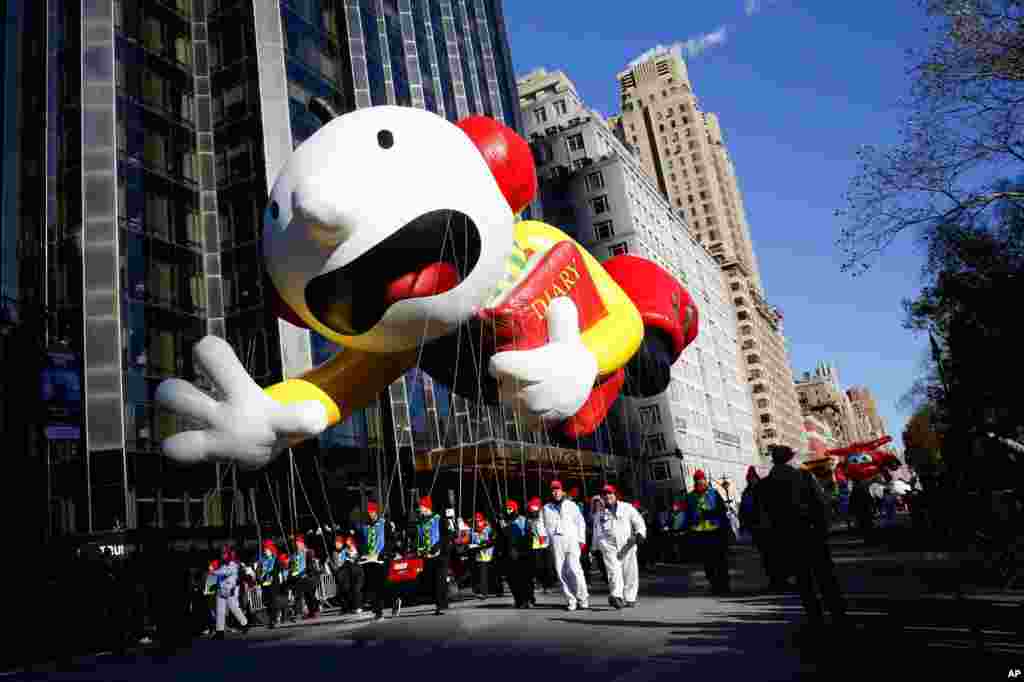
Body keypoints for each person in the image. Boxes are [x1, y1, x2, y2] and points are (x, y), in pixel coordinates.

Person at [756, 445, 847, 631]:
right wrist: (823, 529)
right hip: (812, 534)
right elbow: (821, 503)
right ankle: (837, 614)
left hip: (787, 539)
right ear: (789, 458)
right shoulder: (803, 476)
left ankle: (814, 617)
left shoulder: (765, 485)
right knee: (825, 576)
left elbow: (763, 517)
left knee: (803, 580)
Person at [592, 485, 647, 609]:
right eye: (605, 494)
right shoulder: (599, 514)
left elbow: (639, 522)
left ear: (615, 494)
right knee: (613, 571)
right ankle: (616, 596)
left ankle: (630, 597)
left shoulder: (627, 507)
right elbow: (597, 532)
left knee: (630, 572)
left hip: (627, 545)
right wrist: (595, 548)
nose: (607, 496)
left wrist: (639, 534)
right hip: (609, 547)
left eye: (610, 493)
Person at [541, 480, 589, 611]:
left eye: (557, 489)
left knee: (575, 568)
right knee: (561, 571)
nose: (555, 492)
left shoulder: (571, 505)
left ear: (562, 491)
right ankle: (571, 600)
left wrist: (581, 540)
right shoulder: (546, 508)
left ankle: (583, 598)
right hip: (556, 542)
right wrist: (545, 542)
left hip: (571, 540)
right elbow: (541, 525)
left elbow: (580, 522)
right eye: (553, 490)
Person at [684, 470, 731, 595]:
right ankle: (714, 584)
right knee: (708, 562)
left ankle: (724, 584)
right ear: (695, 483)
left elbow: (722, 511)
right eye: (698, 481)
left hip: (716, 532)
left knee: (720, 560)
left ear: (705, 481)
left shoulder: (714, 493)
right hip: (700, 534)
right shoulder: (690, 497)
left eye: (702, 481)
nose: (700, 483)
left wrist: (710, 514)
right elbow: (687, 515)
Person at [740, 466, 784, 591]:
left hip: (770, 527)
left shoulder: (764, 490)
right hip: (758, 529)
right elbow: (743, 511)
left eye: (752, 478)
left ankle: (779, 579)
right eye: (749, 479)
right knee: (767, 556)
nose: (751, 481)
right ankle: (775, 580)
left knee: (775, 555)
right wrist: (744, 525)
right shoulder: (747, 493)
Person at [414, 496, 448, 615]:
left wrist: (439, 546)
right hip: (427, 555)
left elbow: (448, 535)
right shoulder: (420, 522)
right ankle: (439, 602)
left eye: (421, 507)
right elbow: (419, 538)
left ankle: (441, 605)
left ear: (427, 507)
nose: (420, 509)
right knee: (432, 581)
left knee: (440, 580)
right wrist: (418, 549)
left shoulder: (439, 519)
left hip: (440, 555)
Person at [355, 501, 387, 620]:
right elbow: (361, 542)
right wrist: (362, 554)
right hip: (368, 560)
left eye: (373, 512)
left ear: (376, 512)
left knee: (381, 585)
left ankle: (385, 606)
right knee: (372, 586)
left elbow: (389, 540)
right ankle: (377, 610)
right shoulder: (364, 526)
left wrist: (385, 553)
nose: (371, 514)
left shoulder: (383, 523)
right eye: (369, 513)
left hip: (380, 558)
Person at [500, 500, 534, 608]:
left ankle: (528, 599)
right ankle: (518, 599)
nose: (508, 511)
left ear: (515, 509)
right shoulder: (503, 521)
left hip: (521, 551)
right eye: (507, 509)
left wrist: (525, 550)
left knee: (524, 578)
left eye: (510, 508)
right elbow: (501, 538)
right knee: (512, 579)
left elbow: (528, 535)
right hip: (509, 553)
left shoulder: (523, 520)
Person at [211, 546, 249, 640]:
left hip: (229, 591)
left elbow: (225, 572)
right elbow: (220, 576)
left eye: (224, 553)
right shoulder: (222, 564)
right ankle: (219, 632)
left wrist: (213, 571)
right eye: (222, 553)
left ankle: (245, 623)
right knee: (220, 611)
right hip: (221, 590)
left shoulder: (232, 564)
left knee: (234, 609)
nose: (222, 555)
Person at [526, 496, 554, 600]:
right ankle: (540, 583)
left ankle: (548, 585)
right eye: (532, 508)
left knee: (548, 565)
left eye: (535, 507)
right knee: (537, 565)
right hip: (536, 544)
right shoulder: (529, 519)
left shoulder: (545, 515)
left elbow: (549, 527)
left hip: (545, 543)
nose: (533, 509)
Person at [287, 534, 319, 620]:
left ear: (302, 543)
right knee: (298, 596)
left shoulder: (308, 552)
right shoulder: (293, 555)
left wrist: (304, 573)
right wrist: (291, 573)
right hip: (298, 579)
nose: (296, 545)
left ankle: (313, 611)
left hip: (308, 577)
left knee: (310, 596)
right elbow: (291, 567)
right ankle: (298, 613)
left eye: (298, 543)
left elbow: (311, 566)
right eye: (295, 544)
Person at [332, 534, 364, 614]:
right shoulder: (341, 552)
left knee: (355, 590)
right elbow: (338, 563)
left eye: (350, 542)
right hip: (345, 574)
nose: (348, 544)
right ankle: (347, 608)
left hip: (357, 572)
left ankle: (357, 606)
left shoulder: (355, 550)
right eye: (336, 543)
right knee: (344, 591)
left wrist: (354, 557)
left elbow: (358, 558)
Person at [469, 512, 496, 599]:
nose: (477, 522)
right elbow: (472, 540)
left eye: (478, 520)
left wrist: (485, 544)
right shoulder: (473, 529)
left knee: (486, 573)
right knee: (480, 573)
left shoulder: (488, 528)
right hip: (479, 554)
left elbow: (491, 539)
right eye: (475, 520)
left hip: (487, 553)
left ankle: (486, 591)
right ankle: (481, 591)